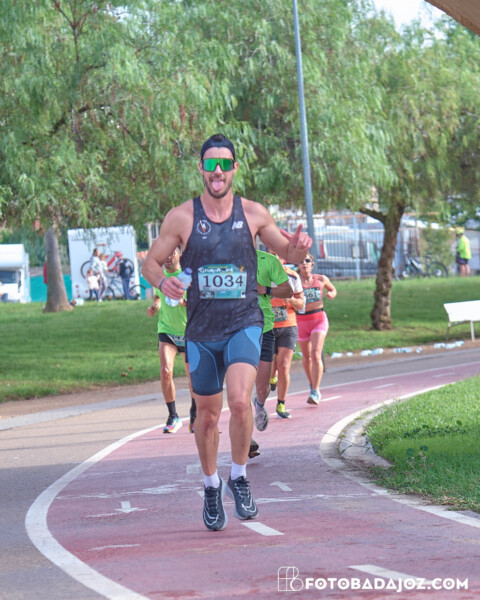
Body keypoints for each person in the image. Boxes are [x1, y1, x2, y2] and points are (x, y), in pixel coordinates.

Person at [142, 133, 311, 531]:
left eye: (224, 164)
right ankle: (211, 486)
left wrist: (300, 247)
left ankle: (238, 476)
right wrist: (162, 282)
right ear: (201, 169)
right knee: (205, 417)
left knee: (238, 401)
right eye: (210, 164)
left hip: (243, 323)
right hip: (201, 330)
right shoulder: (181, 217)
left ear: (235, 168)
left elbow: (287, 253)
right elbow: (151, 262)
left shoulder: (253, 213)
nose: (217, 171)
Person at [147, 246, 197, 434]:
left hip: (187, 331)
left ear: (179, 255)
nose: (168, 257)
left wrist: (183, 302)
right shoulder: (159, 277)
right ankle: (173, 416)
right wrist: (155, 306)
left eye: (172, 253)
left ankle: (195, 414)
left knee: (192, 375)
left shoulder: (188, 277)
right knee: (166, 371)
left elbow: (197, 303)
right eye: (165, 254)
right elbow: (158, 297)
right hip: (166, 330)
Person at [250, 250, 293, 458]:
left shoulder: (268, 260)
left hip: (264, 328)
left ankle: (259, 404)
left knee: (262, 387)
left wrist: (265, 289)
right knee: (239, 388)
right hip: (235, 330)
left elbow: (288, 290)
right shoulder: (224, 258)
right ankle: (245, 439)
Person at [296, 252, 337, 404]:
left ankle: (315, 390)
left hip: (318, 319)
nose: (304, 263)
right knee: (306, 356)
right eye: (301, 261)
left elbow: (333, 289)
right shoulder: (294, 280)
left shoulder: (321, 279)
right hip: (301, 321)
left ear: (312, 264)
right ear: (298, 264)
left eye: (307, 260)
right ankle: (312, 383)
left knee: (315, 353)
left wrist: (331, 294)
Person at [270, 258, 305, 419]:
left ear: (282, 258)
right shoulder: (261, 274)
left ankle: (281, 403)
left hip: (288, 326)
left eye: (277, 255)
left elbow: (301, 303)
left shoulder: (292, 276)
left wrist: (290, 300)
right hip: (267, 327)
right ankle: (272, 377)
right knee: (270, 367)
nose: (274, 258)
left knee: (283, 366)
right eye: (271, 254)